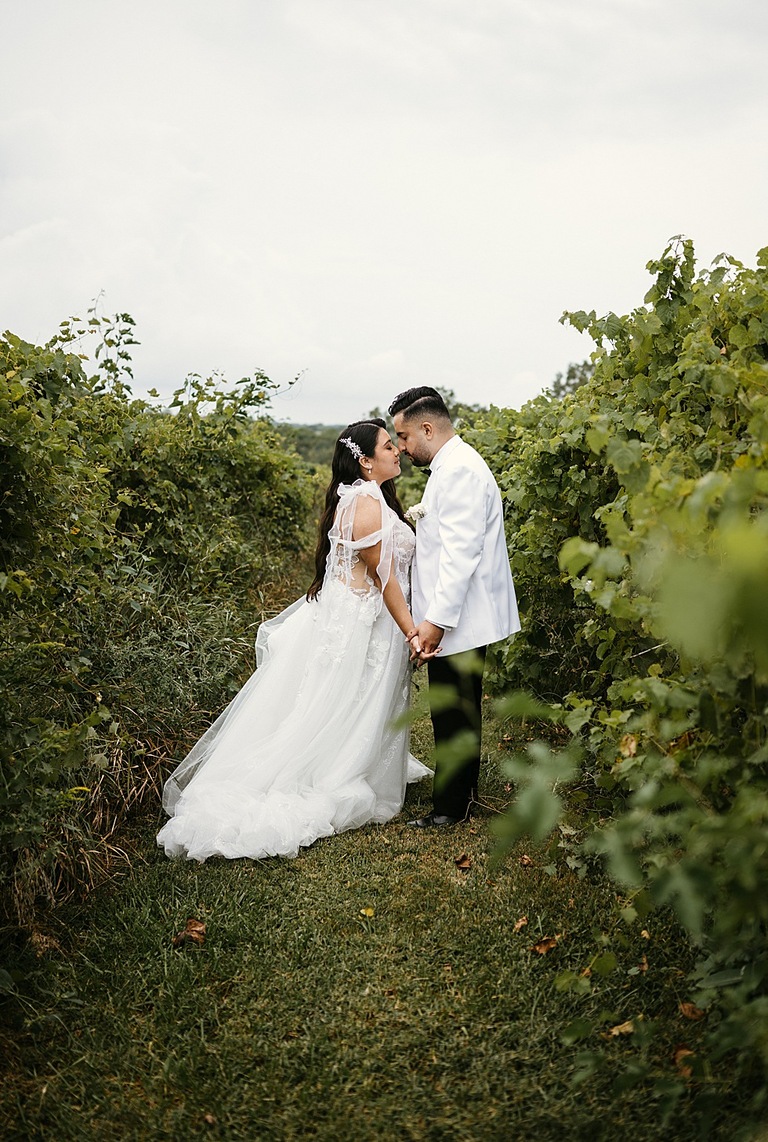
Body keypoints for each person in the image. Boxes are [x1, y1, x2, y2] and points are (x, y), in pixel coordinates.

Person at [157, 418, 432, 862]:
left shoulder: (363, 497)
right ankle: (330, 771)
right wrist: (412, 632)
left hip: (352, 613)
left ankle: (348, 758)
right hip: (362, 619)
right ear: (365, 462)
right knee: (343, 701)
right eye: (387, 446)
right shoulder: (365, 503)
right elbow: (385, 579)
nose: (396, 450)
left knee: (342, 700)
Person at [388, 387, 520, 828]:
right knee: (455, 711)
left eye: (404, 436)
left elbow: (460, 554)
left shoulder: (460, 470)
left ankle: (451, 809)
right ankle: (459, 798)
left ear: (427, 428)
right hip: (456, 615)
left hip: (459, 617)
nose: (402, 448)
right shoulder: (452, 465)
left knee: (455, 714)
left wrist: (436, 621)